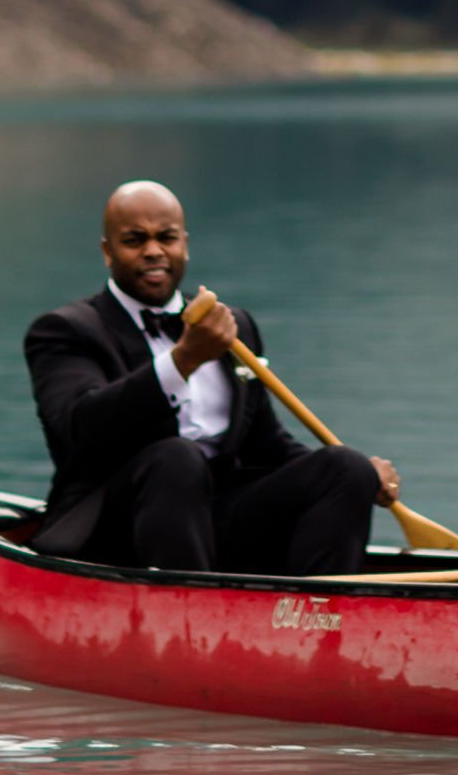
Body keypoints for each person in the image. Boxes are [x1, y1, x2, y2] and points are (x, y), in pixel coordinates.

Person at [25, 179, 400, 575]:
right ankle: (190, 613)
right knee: (175, 457)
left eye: (166, 238)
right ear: (107, 252)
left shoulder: (232, 325)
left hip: (214, 520)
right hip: (115, 531)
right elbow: (81, 428)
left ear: (184, 244)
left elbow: (265, 444)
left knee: (345, 467)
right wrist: (183, 361)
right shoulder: (64, 331)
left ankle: (319, 616)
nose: (153, 251)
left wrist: (360, 478)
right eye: (135, 240)